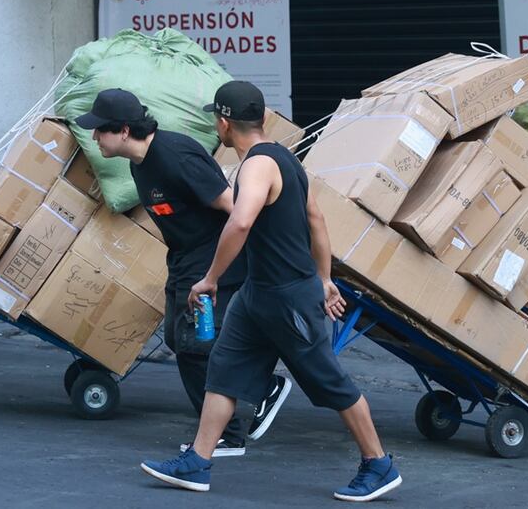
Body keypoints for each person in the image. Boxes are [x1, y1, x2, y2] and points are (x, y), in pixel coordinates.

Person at [140, 81, 402, 502]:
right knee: (223, 370)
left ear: (224, 123)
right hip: (257, 294)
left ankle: (379, 464)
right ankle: (198, 461)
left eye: (216, 120)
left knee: (329, 381)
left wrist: (209, 278)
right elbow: (315, 218)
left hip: (285, 298)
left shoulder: (257, 166)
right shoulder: (286, 157)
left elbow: (240, 223)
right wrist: (324, 276)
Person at [75, 89, 291, 456]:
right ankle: (262, 383)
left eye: (100, 130)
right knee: (178, 339)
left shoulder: (175, 156)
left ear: (124, 130)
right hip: (183, 259)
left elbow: (233, 207)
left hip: (211, 259)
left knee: (195, 346)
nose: (95, 137)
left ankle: (228, 433)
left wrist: (234, 266)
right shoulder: (138, 164)